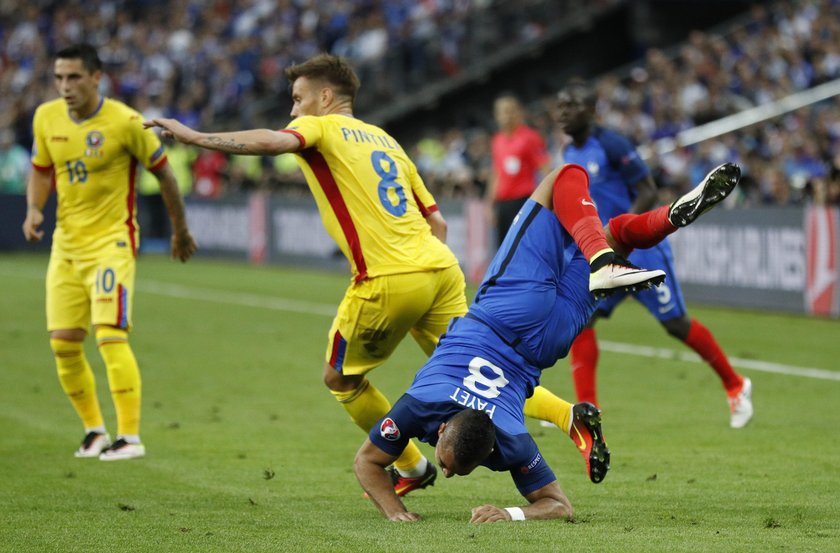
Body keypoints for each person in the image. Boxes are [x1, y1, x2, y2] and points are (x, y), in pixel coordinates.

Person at [144, 53, 661, 496]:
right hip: (438, 269)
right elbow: (435, 220)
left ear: (326, 97)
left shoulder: (320, 127)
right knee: (483, 369)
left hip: (389, 278)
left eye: (298, 99)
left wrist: (192, 135)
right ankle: (570, 416)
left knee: (340, 378)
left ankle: (410, 466)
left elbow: (268, 144)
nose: (292, 111)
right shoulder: (388, 142)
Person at [354, 161, 741, 522]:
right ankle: (665, 219)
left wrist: (396, 512)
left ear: (443, 433)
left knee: (564, 178)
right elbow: (559, 506)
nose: (449, 473)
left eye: (445, 465)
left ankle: (606, 258)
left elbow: (366, 462)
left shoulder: (509, 436)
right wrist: (512, 514)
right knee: (605, 222)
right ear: (488, 451)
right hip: (514, 315)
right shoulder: (427, 408)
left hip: (533, 331)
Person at [21, 44, 197, 461]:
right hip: (65, 245)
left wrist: (180, 230)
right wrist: (32, 208)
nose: (65, 86)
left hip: (111, 244)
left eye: (74, 77)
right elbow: (41, 170)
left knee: (109, 335)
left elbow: (166, 174)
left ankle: (130, 437)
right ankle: (94, 430)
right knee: (63, 344)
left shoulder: (125, 121)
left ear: (96, 77)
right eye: (59, 78)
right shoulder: (46, 117)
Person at [555, 79, 753, 429]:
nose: (562, 113)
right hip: (603, 253)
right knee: (583, 321)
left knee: (675, 324)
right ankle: (588, 409)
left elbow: (648, 190)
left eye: (570, 105)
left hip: (641, 250)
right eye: (560, 106)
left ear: (589, 110)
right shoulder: (569, 153)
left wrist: (621, 233)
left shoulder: (612, 144)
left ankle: (736, 386)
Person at [485, 94, 550, 248]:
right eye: (503, 112)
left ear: (519, 113)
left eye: (511, 111)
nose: (507, 116)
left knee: (527, 247)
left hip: (524, 201)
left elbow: (545, 168)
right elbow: (496, 173)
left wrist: (546, 201)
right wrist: (489, 204)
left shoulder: (530, 138)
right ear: (497, 116)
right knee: (505, 249)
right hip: (503, 205)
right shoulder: (497, 140)